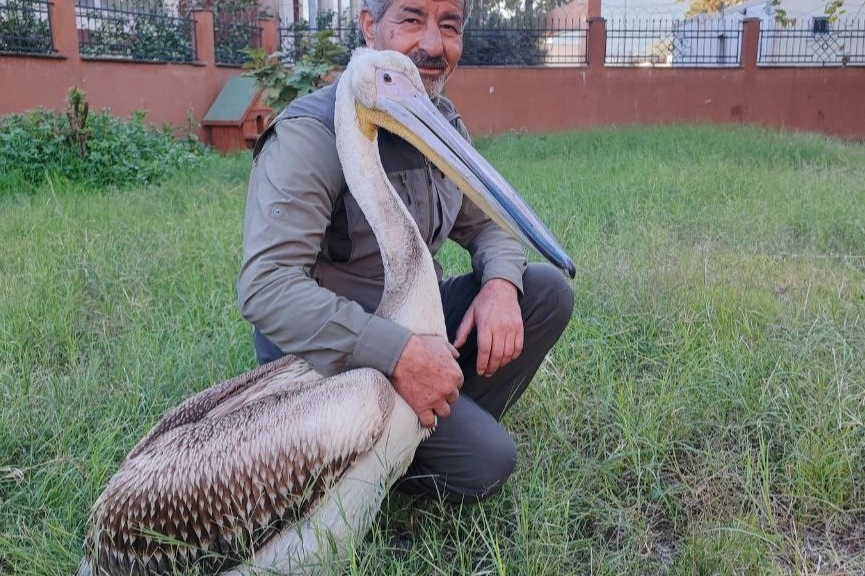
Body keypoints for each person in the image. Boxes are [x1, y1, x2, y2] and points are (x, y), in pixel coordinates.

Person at [236, 0, 574, 503]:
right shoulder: (311, 134)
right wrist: (396, 353)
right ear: (369, 26)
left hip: (414, 318)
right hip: (331, 356)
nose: (433, 45)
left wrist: (501, 285)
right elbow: (267, 288)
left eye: (449, 25)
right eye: (412, 19)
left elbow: (490, 223)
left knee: (545, 291)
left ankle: (434, 421)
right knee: (486, 464)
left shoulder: (434, 121)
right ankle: (384, 460)